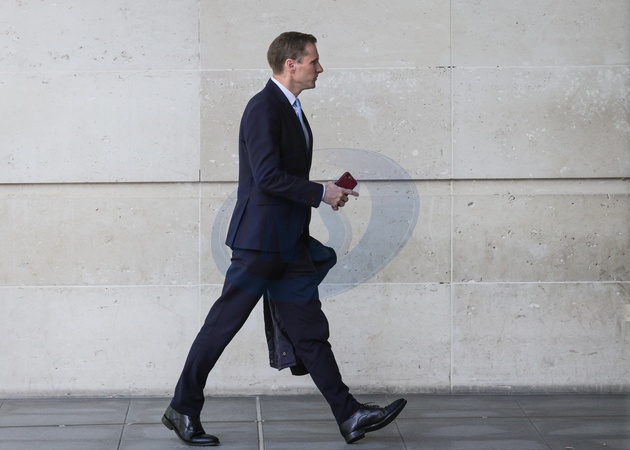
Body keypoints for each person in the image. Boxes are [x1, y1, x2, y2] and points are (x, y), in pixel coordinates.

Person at [162, 31, 407, 446]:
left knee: (309, 330)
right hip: (259, 243)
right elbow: (267, 176)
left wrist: (325, 189)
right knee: (222, 326)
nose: (320, 68)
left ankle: (350, 415)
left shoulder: (291, 109)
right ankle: (182, 408)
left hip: (289, 244)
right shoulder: (264, 108)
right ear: (291, 64)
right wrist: (320, 193)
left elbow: (284, 175)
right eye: (314, 60)